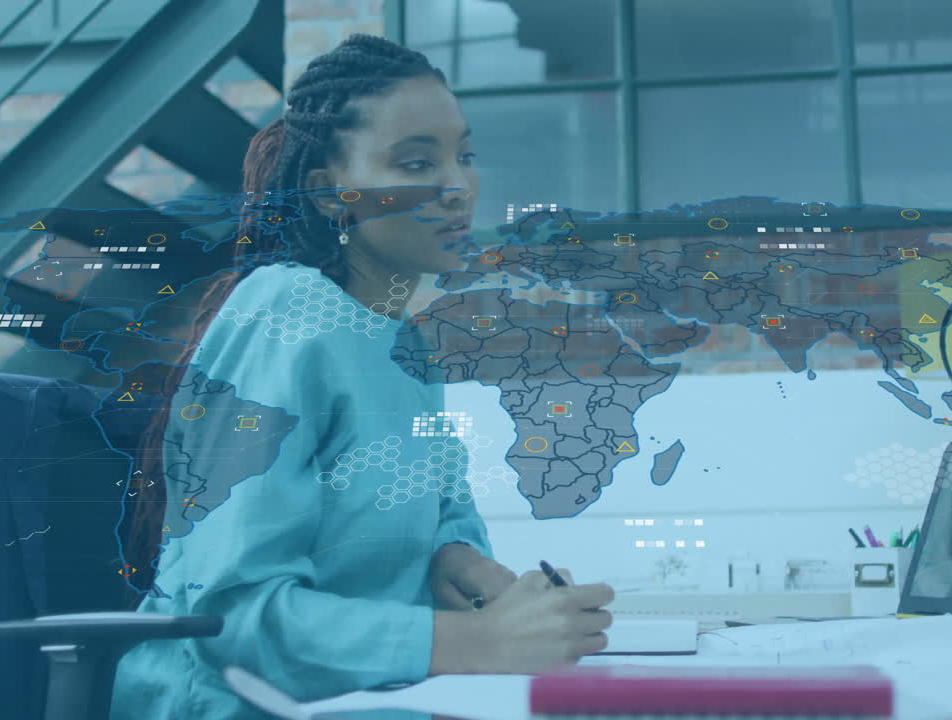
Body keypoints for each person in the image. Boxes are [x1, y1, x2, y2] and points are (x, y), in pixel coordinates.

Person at [111, 34, 614, 719]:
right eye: (416, 162)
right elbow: (230, 616)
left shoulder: (406, 347)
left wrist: (472, 573)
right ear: (329, 194)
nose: (457, 186)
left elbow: (439, 515)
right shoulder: (285, 316)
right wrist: (478, 639)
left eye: (464, 156)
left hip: (365, 698)